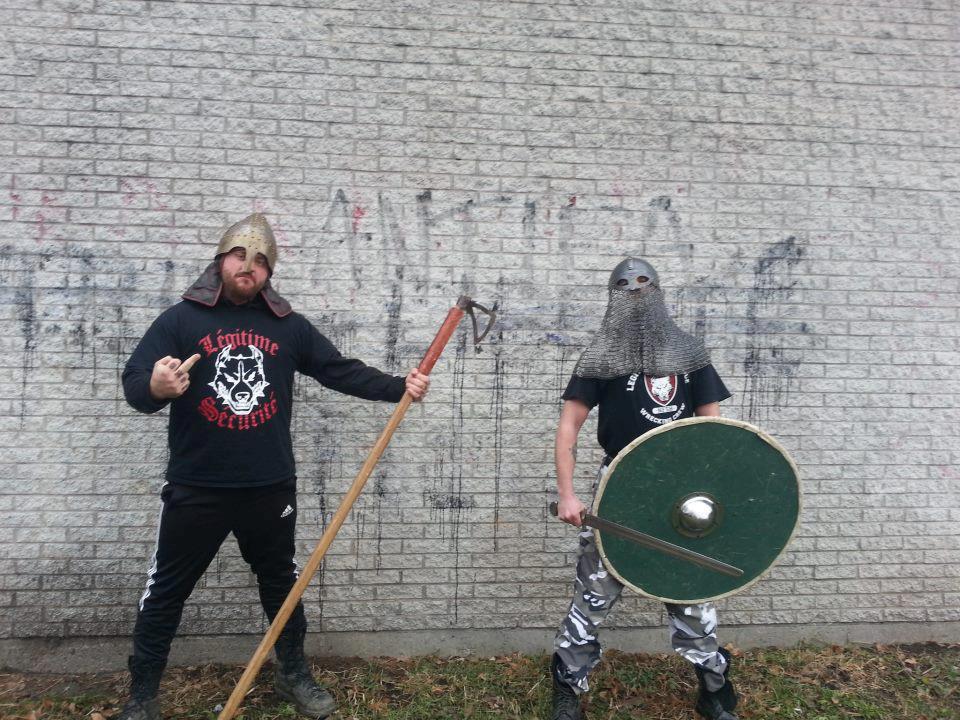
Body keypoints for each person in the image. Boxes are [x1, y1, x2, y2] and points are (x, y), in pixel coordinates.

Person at [118, 213, 429, 720]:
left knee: (281, 584)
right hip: (197, 487)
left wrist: (399, 386)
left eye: (261, 260)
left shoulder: (288, 327)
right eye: (240, 255)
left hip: (269, 488)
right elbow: (136, 383)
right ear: (221, 260)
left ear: (269, 272)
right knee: (167, 588)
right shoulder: (181, 321)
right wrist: (156, 387)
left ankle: (292, 674)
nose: (250, 266)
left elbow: (337, 370)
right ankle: (143, 695)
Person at [550, 258, 737, 720]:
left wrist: (711, 488)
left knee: (690, 589)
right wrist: (569, 494)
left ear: (657, 290)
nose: (634, 291)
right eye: (624, 284)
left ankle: (714, 687)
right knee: (593, 596)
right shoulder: (601, 355)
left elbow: (712, 427)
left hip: (680, 491)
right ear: (612, 293)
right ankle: (567, 688)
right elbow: (569, 429)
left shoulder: (689, 352)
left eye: (643, 283)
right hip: (620, 487)